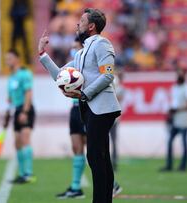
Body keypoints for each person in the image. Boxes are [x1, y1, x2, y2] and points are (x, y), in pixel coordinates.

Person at [39, 8, 121, 203]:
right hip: (92, 108)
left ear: (91, 26)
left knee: (94, 156)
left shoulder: (102, 44)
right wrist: (42, 53)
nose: (77, 24)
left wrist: (85, 93)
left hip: (103, 108)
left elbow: (108, 75)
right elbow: (60, 74)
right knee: (101, 157)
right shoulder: (82, 52)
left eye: (81, 21)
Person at [56, 38, 87, 199]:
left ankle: (111, 184)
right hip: (74, 109)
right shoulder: (72, 66)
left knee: (94, 151)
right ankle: (76, 187)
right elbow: (58, 75)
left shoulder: (87, 65)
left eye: (75, 48)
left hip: (85, 108)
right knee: (76, 148)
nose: (72, 51)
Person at [5, 49, 36, 184]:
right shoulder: (11, 77)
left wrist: (25, 111)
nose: (7, 61)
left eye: (10, 58)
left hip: (25, 109)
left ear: (17, 59)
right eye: (6, 59)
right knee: (17, 143)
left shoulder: (25, 74)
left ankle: (29, 174)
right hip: (16, 110)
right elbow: (10, 99)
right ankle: (22, 173)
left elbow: (28, 93)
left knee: (25, 140)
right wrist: (7, 114)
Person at [160, 68, 187, 172]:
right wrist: (170, 113)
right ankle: (169, 165)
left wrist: (176, 110)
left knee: (184, 143)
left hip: (184, 120)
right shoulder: (175, 87)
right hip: (176, 120)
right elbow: (174, 103)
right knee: (170, 141)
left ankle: (183, 166)